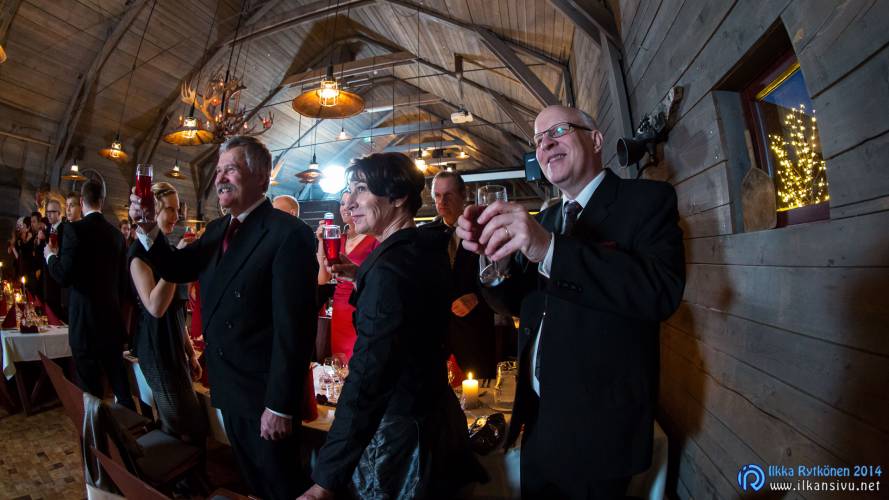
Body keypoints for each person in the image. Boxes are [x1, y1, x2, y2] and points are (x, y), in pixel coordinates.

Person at [456, 105, 686, 499]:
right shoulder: (546, 219)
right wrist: (494, 261)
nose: (545, 144)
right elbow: (516, 303)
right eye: (538, 139)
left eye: (558, 131)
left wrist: (549, 250)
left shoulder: (647, 199)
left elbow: (660, 292)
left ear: (595, 140)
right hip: (538, 422)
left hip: (600, 432)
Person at [130, 136, 318, 500]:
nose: (219, 179)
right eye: (218, 171)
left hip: (264, 396)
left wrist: (279, 405)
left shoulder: (288, 233)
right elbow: (176, 267)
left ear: (261, 177)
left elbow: (294, 331)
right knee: (253, 482)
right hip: (230, 386)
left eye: (230, 169)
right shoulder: (218, 229)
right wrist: (149, 227)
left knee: (280, 486)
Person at [299, 153, 485, 500]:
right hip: (439, 423)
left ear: (398, 197)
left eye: (361, 189)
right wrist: (362, 277)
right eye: (350, 191)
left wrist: (325, 480)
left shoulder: (390, 268)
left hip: (403, 444)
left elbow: (367, 378)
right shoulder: (420, 249)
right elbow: (410, 306)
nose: (349, 203)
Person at [44, 180, 135, 410]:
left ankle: (97, 431)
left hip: (84, 324)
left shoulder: (74, 230)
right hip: (111, 322)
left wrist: (50, 257)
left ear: (82, 202)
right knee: (120, 387)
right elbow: (123, 285)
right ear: (102, 201)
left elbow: (64, 276)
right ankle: (133, 427)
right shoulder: (117, 236)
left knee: (91, 393)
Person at [128, 182, 206, 444]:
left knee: (188, 422)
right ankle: (172, 466)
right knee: (185, 425)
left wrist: (190, 353)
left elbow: (177, 312)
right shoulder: (138, 254)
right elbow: (156, 307)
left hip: (174, 347)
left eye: (177, 209)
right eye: (170, 209)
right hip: (157, 349)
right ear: (154, 211)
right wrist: (176, 263)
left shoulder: (168, 251)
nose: (176, 216)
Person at [423, 170, 498, 379]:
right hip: (436, 336)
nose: (442, 202)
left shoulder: (483, 229)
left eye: (448, 195)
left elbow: (500, 277)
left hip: (474, 333)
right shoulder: (424, 235)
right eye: (438, 195)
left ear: (464, 195)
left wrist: (478, 297)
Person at [315, 192, 378, 362]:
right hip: (340, 309)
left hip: (362, 307)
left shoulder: (373, 238)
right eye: (342, 204)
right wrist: (321, 241)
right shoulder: (337, 238)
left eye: (350, 203)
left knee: (359, 359)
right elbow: (322, 279)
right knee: (340, 362)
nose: (345, 208)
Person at [42, 199, 67, 321]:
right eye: (47, 212)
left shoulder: (65, 229)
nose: (49, 215)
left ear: (59, 213)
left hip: (60, 279)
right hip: (48, 276)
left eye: (52, 212)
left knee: (59, 316)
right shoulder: (47, 230)